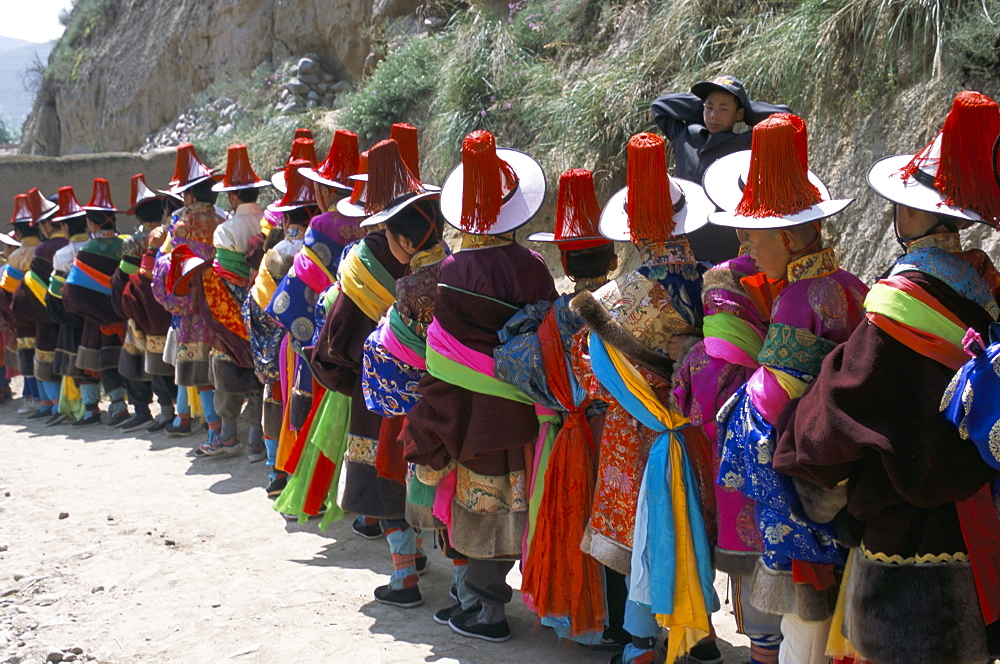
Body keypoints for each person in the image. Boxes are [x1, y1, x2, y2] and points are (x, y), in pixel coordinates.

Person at [775, 90, 1000, 664]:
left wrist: (793, 441)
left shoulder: (899, 305)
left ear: (919, 214)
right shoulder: (985, 289)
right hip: (980, 520)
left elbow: (840, 411)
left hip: (908, 539)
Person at [705, 115, 867, 664]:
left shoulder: (800, 299)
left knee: (805, 618)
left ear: (791, 237)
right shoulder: (849, 285)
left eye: (754, 234)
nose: (745, 244)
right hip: (846, 466)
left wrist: (730, 401)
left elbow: (769, 402)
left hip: (806, 477)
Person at [400, 129, 557, 643]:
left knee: (478, 505)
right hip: (528, 407)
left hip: (472, 409)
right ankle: (483, 600)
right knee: (516, 502)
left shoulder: (452, 272)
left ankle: (486, 610)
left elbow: (443, 355)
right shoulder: (534, 267)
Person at [568, 133, 718, 664]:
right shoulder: (718, 284)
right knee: (692, 522)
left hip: (637, 431)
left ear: (630, 230)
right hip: (699, 427)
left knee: (642, 533)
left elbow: (591, 381)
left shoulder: (613, 299)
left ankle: (638, 645)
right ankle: (700, 637)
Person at [493, 168, 622, 647]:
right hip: (625, 437)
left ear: (564, 267)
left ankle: (581, 618)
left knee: (573, 519)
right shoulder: (632, 307)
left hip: (566, 436)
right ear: (613, 258)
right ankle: (631, 627)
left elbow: (508, 362)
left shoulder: (546, 321)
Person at [176, 144, 271, 458]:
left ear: (232, 197)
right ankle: (258, 440)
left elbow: (224, 276)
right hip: (264, 307)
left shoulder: (225, 231)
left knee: (226, 372)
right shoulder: (269, 223)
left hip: (231, 310)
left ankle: (228, 437)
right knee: (260, 372)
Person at [651, 74, 791, 263]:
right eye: (709, 107)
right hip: (685, 242)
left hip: (725, 242)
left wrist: (744, 110)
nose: (714, 115)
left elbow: (787, 118)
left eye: (723, 109)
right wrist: (703, 108)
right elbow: (660, 106)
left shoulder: (746, 143)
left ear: (739, 114)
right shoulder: (686, 136)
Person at [152, 143, 226, 447]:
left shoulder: (180, 227)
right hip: (222, 306)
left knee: (199, 373)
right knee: (221, 369)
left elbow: (165, 269)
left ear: (190, 195)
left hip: (192, 311)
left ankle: (214, 431)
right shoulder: (223, 221)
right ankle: (228, 429)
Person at [110, 175, 182, 432]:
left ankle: (144, 410)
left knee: (133, 362)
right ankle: (180, 412)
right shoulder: (169, 235)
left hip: (140, 308)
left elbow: (125, 280)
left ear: (138, 217)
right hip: (168, 305)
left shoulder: (133, 242)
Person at [61, 179, 130, 426]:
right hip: (125, 318)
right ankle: (125, 406)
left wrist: (86, 311)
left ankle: (95, 410)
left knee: (96, 366)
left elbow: (72, 293)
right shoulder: (126, 244)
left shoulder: (88, 251)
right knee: (123, 363)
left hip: (95, 322)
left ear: (90, 222)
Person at [2, 194, 44, 415]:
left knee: (27, 357)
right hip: (46, 315)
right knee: (47, 355)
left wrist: (8, 319)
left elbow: (6, 292)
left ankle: (33, 398)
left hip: (22, 318)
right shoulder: (45, 251)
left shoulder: (15, 258)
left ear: (17, 233)